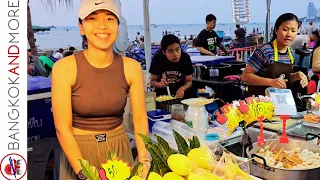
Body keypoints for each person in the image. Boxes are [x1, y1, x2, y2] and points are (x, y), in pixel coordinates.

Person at [51, 0, 150, 179]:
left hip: (119, 150)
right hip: (78, 152)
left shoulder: (132, 67)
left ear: (118, 25)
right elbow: (62, 128)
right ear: (81, 27)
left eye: (110, 18)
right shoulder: (64, 68)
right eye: (92, 18)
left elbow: (140, 118)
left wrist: (144, 156)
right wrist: (83, 172)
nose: (102, 26)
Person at [241, 13, 308, 97]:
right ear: (276, 30)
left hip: (279, 100)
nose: (289, 34)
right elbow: (245, 76)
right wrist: (271, 82)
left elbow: (284, 78)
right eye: (285, 29)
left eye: (293, 31)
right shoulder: (264, 51)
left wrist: (297, 76)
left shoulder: (291, 52)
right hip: (259, 101)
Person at [149, 34, 194, 99]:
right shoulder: (157, 59)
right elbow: (152, 82)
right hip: (162, 97)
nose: (175, 54)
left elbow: (189, 81)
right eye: (171, 51)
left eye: (177, 49)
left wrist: (183, 88)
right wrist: (160, 84)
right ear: (164, 52)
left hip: (183, 97)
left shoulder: (185, 58)